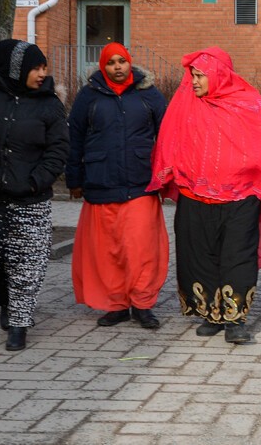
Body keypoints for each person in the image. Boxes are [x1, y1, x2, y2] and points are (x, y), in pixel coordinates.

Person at [147, 47, 261, 344]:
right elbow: (170, 139)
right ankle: (210, 314)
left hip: (240, 197)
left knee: (237, 256)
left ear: (218, 74)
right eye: (192, 75)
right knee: (199, 255)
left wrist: (241, 168)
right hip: (195, 196)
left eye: (200, 75)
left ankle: (235, 318)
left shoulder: (248, 102)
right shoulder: (185, 103)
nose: (194, 81)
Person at [0, 39, 69, 352]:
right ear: (15, 70)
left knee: (27, 264)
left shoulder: (49, 105)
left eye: (44, 67)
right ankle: (6, 302)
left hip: (30, 200)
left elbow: (58, 150)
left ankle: (19, 323)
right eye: (35, 67)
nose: (42, 73)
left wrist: (35, 182)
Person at [66, 42, 169, 329]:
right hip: (101, 182)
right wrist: (73, 179)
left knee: (141, 249)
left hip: (141, 183)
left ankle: (142, 304)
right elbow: (75, 138)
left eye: (121, 61)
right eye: (111, 63)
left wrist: (166, 176)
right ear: (103, 66)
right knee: (108, 250)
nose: (117, 68)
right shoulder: (89, 96)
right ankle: (116, 304)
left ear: (129, 62)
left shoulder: (149, 94)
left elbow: (167, 134)